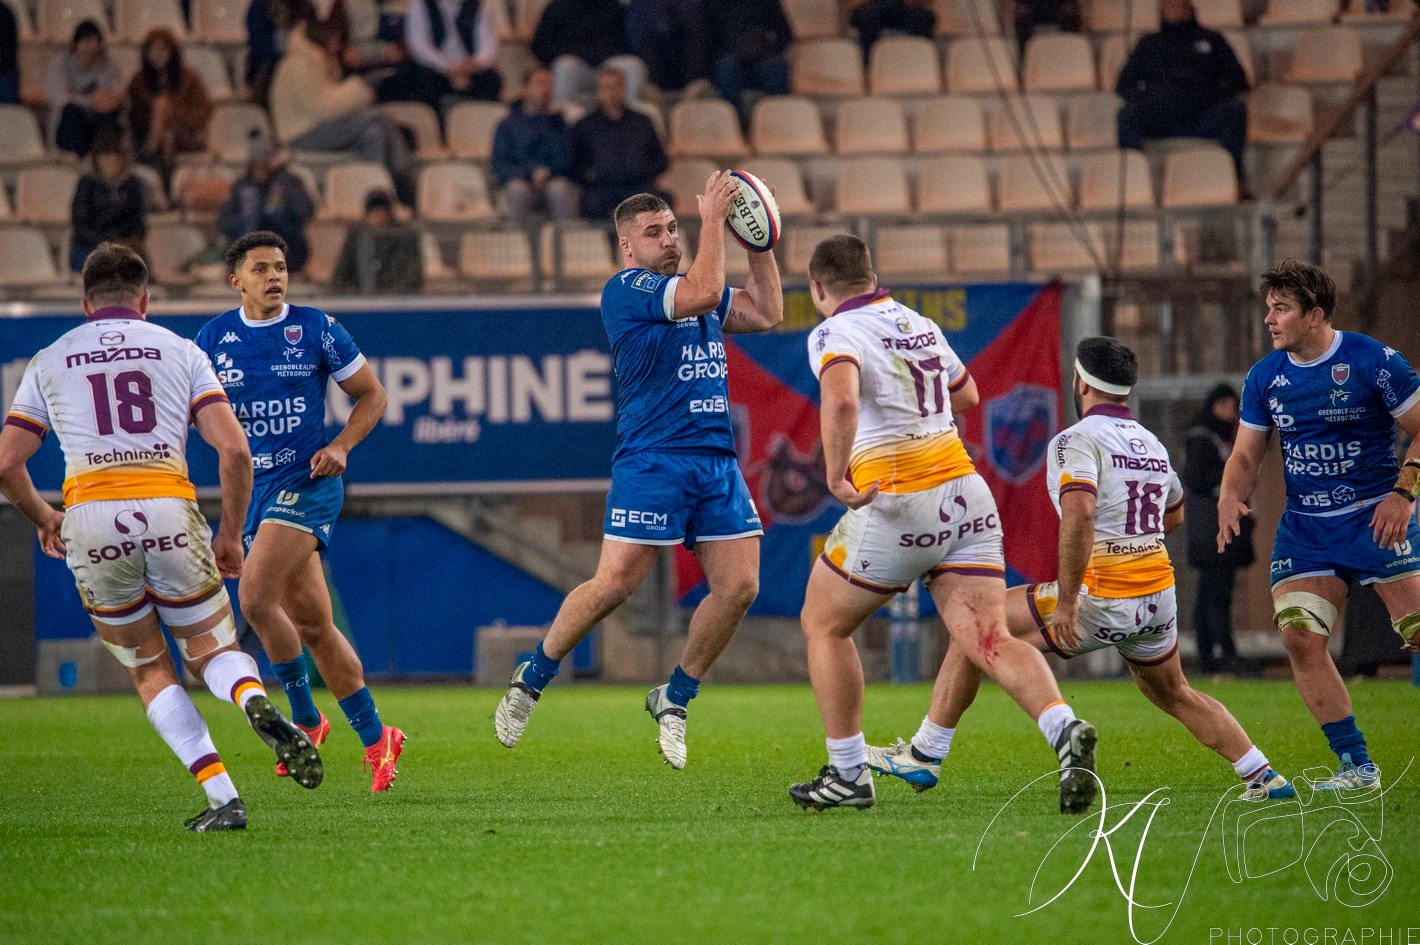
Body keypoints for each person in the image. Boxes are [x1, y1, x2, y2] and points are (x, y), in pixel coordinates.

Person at [868, 338, 1293, 804]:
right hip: (1156, 593)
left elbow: (1081, 515)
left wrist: (1069, 601)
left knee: (976, 626)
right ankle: (1262, 773)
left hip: (1103, 590)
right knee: (1176, 693)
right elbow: (1174, 513)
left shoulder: (1076, 440)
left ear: (1081, 382)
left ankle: (927, 755)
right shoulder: (1150, 444)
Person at [0, 244, 322, 831]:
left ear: (85, 303)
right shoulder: (183, 351)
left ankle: (225, 797)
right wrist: (229, 536)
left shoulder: (49, 359)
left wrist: (45, 518)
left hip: (92, 514)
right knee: (214, 651)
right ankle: (252, 699)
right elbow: (235, 452)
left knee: (151, 671)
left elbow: (6, 466)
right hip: (171, 508)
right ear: (144, 301)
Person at [786, 235, 1099, 813]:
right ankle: (1063, 729)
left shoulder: (835, 331)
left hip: (900, 496)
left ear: (819, 288)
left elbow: (843, 400)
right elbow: (969, 395)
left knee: (824, 623)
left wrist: (836, 476)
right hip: (967, 493)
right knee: (988, 639)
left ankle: (849, 772)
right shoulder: (916, 321)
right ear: (872, 275)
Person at [494, 174, 783, 768]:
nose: (668, 239)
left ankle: (674, 698)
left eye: (673, 228)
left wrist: (760, 242)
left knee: (741, 587)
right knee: (615, 585)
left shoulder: (689, 283)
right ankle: (533, 675)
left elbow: (767, 312)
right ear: (628, 247)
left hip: (714, 459)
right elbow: (703, 294)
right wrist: (713, 222)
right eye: (655, 233)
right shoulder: (626, 289)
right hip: (652, 458)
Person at [196, 231, 405, 793]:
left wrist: (340, 446)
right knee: (314, 624)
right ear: (234, 279)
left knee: (254, 596)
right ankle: (376, 737)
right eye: (261, 269)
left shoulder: (315, 327)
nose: (274, 277)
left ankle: (306, 720)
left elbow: (373, 395)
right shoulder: (212, 340)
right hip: (256, 491)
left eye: (281, 267)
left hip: (307, 484)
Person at [1219, 259, 1420, 791]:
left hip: (1380, 518)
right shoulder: (1266, 377)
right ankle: (1357, 767)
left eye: (1281, 309)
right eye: (1269, 308)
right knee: (1300, 639)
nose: (1270, 319)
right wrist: (1228, 496)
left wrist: (1404, 493)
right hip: (1308, 530)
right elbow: (1245, 455)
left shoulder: (1373, 360)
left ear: (1316, 315)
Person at [269, 19, 415, 206]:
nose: (338, 45)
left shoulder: (315, 60)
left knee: (375, 134)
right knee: (378, 118)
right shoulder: (303, 64)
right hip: (302, 134)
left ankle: (376, 197)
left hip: (317, 127)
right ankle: (402, 183)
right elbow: (324, 109)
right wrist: (359, 88)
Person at [1115, 0, 1250, 187]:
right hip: (1161, 118)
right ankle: (1133, 183)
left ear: (1189, 6)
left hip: (1203, 116)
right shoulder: (1148, 44)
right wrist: (1150, 98)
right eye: (1168, 4)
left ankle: (1234, 180)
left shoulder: (1213, 40)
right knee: (1127, 115)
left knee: (1234, 112)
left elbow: (1238, 81)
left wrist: (1210, 96)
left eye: (1178, 3)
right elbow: (1124, 84)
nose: (1173, 6)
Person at [1183, 383, 1253, 674]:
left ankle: (1215, 651)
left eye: (1233, 407)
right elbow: (1196, 478)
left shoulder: (1228, 439)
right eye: (1224, 406)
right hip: (1210, 530)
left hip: (1218, 529)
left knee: (1214, 591)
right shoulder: (1203, 439)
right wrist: (1229, 487)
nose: (1230, 413)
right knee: (1214, 593)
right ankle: (1218, 652)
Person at [569, 68, 670, 221]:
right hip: (600, 188)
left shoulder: (642, 122)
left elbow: (660, 159)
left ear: (623, 89)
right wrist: (591, 175)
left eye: (615, 86)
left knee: (661, 201)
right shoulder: (585, 125)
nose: (611, 92)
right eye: (605, 87)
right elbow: (574, 163)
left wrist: (643, 171)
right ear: (598, 91)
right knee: (592, 205)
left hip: (638, 185)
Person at [491, 67, 576, 224]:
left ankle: (565, 243)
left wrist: (554, 125)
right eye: (540, 83)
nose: (546, 89)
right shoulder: (507, 125)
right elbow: (500, 163)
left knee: (559, 189)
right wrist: (529, 173)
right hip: (520, 180)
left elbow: (567, 160)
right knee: (518, 190)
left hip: (551, 179)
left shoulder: (558, 123)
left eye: (549, 84)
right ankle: (514, 241)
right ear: (525, 88)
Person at [218, 137, 316, 274]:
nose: (261, 169)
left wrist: (282, 176)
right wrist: (249, 221)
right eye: (258, 164)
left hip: (286, 250)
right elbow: (225, 222)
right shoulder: (241, 187)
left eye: (265, 163)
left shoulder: (288, 183)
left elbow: (306, 212)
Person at [127, 29, 214, 181]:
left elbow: (201, 114)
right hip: (146, 135)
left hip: (185, 134)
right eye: (153, 49)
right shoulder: (138, 81)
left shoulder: (190, 78)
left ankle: (151, 154)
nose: (158, 54)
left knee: (166, 127)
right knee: (164, 130)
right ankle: (162, 174)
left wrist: (171, 111)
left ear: (172, 52)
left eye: (163, 49)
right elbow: (134, 116)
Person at [530, 0, 648, 108]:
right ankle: (562, 119)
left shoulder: (614, 7)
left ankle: (630, 119)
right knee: (564, 65)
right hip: (578, 68)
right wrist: (574, 52)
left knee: (634, 65)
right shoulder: (557, 7)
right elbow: (540, 44)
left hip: (609, 65)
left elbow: (628, 43)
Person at [45, 20, 125, 158]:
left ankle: (106, 160)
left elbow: (115, 93)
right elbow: (59, 99)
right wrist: (91, 101)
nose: (91, 49)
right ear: (76, 44)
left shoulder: (107, 66)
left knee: (110, 115)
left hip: (96, 119)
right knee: (71, 112)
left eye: (95, 44)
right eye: (87, 42)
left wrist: (106, 99)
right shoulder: (58, 65)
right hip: (68, 124)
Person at [69, 136, 148, 274]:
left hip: (124, 247)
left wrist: (123, 242)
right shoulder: (86, 185)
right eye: (106, 157)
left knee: (140, 264)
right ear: (97, 159)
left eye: (115, 157)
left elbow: (138, 223)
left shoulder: (133, 186)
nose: (111, 162)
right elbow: (81, 226)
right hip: (90, 247)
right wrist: (106, 242)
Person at [402, 0, 502, 106]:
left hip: (468, 67)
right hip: (435, 68)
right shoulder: (420, 4)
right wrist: (448, 67)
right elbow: (419, 46)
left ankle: (480, 120)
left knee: (491, 80)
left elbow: (488, 45)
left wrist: (474, 64)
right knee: (424, 80)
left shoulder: (476, 6)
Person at [705, 0, 792, 119]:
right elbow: (707, 39)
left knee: (775, 66)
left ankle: (776, 119)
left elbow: (785, 33)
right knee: (725, 68)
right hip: (730, 56)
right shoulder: (713, 3)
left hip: (762, 55)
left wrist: (766, 44)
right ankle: (733, 121)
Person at [330, 189, 423, 294]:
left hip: (397, 301)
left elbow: (413, 275)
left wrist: (392, 297)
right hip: (361, 301)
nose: (378, 214)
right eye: (373, 210)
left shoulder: (405, 236)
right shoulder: (356, 237)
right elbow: (340, 275)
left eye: (382, 210)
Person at [849, 0, 936, 65]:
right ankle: (868, 65)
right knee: (867, 17)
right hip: (871, 6)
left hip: (902, 6)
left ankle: (921, 63)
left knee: (922, 18)